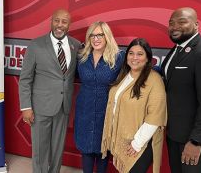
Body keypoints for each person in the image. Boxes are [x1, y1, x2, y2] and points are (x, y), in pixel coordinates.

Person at [161, 7, 201, 173]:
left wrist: (196, 141)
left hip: (196, 136)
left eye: (182, 22)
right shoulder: (176, 50)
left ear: (196, 25)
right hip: (176, 132)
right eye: (171, 23)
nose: (175, 26)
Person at [18, 9, 81, 173]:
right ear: (51, 21)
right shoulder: (36, 44)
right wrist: (26, 107)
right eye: (57, 20)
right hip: (40, 107)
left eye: (64, 22)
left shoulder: (76, 45)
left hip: (63, 106)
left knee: (58, 148)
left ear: (69, 24)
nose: (60, 25)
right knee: (40, 148)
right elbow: (25, 79)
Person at [101, 38, 167, 173]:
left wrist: (137, 143)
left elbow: (155, 117)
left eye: (140, 54)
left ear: (148, 58)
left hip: (140, 144)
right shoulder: (124, 75)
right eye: (131, 53)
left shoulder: (154, 80)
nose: (134, 57)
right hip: (122, 140)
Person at [74, 21, 125, 173]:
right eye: (92, 35)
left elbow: (138, 69)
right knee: (86, 149)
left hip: (106, 110)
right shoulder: (82, 57)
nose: (95, 39)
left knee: (104, 150)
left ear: (107, 36)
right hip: (85, 109)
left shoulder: (119, 57)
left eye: (99, 35)